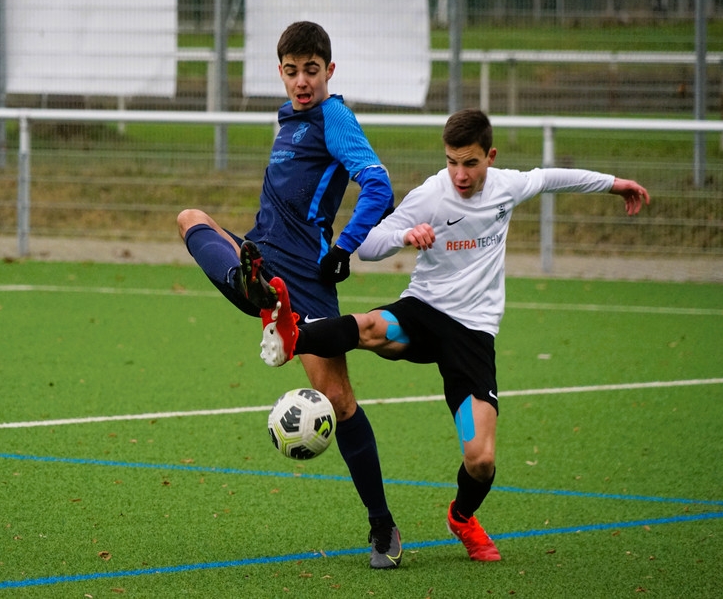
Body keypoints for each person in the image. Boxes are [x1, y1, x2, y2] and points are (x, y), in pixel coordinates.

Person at [258, 107, 651, 562]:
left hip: (472, 334)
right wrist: (407, 235)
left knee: (480, 459)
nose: (460, 174)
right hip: (422, 313)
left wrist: (614, 184)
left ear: (490, 157)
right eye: (451, 162)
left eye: (470, 163)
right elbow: (367, 246)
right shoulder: (431, 193)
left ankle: (462, 516)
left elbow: (554, 178)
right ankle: (293, 337)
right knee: (368, 326)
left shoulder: (507, 187)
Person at [176, 21, 403, 569]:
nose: (302, 81)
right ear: (280, 72)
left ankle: (383, 527)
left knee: (340, 402)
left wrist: (344, 247)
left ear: (329, 70)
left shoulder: (333, 118)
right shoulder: (288, 118)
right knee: (191, 218)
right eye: (292, 71)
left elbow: (379, 186)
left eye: (312, 71)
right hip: (262, 256)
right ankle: (252, 288)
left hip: (305, 277)